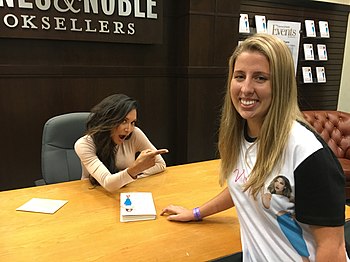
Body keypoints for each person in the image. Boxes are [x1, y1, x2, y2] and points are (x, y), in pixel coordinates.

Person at [160, 34, 348, 261]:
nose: (246, 88)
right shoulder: (242, 132)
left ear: (281, 85)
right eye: (240, 76)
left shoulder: (308, 154)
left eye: (260, 78)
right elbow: (244, 184)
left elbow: (333, 249)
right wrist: (197, 212)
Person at [75, 93, 168, 192]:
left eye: (132, 123)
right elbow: (108, 183)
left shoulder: (135, 134)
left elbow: (160, 164)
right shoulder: (84, 144)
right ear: (108, 120)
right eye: (124, 121)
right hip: (93, 193)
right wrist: (133, 170)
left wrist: (132, 174)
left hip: (124, 192)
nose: (129, 129)